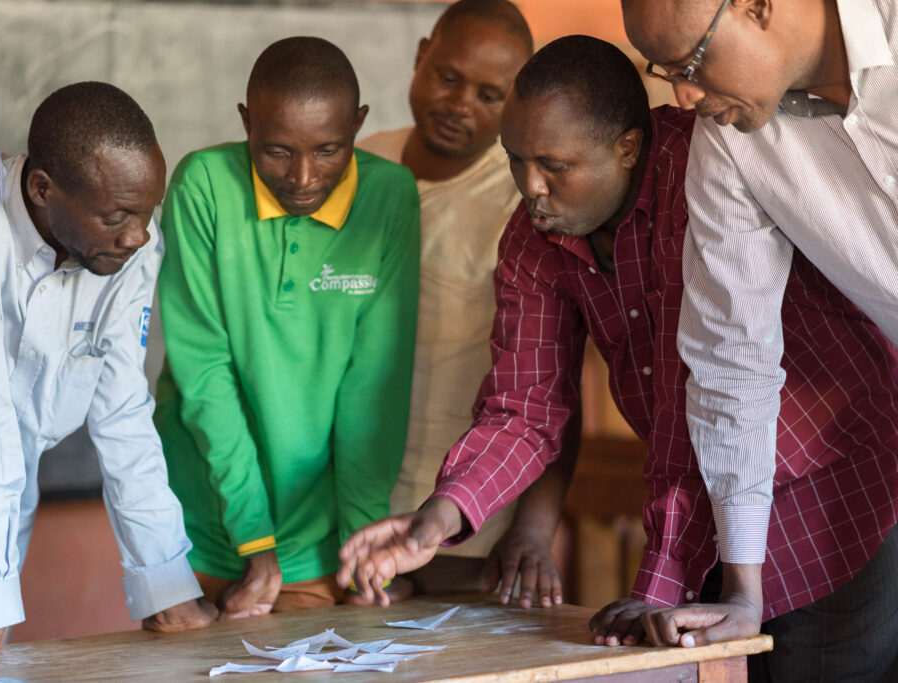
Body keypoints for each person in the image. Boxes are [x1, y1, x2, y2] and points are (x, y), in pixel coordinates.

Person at [336, 35, 898, 681]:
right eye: (515, 160)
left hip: (842, 488)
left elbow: (710, 395)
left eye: (554, 164)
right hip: (719, 512)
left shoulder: (702, 177)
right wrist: (436, 518)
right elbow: (524, 407)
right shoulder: (533, 235)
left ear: (627, 146)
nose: (531, 187)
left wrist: (657, 582)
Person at [0, 82, 215, 658]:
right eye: (117, 215)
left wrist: (167, 585)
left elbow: (124, 410)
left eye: (147, 212)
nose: (138, 235)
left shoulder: (129, 246)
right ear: (42, 188)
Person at [621, 1, 898, 677]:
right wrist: (745, 590)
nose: (683, 95)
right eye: (665, 73)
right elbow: (730, 354)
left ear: (755, 6)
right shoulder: (731, 137)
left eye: (690, 64)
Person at [154, 37, 420, 620]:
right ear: (246, 123)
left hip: (320, 532)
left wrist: (364, 546)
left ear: (359, 125)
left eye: (329, 150)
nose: (302, 177)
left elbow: (374, 382)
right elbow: (205, 373)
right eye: (275, 151)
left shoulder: (390, 196)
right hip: (200, 510)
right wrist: (255, 541)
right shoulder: (204, 186)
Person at [359, 0, 572, 607]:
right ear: (422, 55)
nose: (459, 105)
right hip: (349, 509)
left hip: (470, 528)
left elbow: (551, 391)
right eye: (449, 77)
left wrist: (531, 532)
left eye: (489, 94)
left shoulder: (523, 203)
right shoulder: (359, 166)